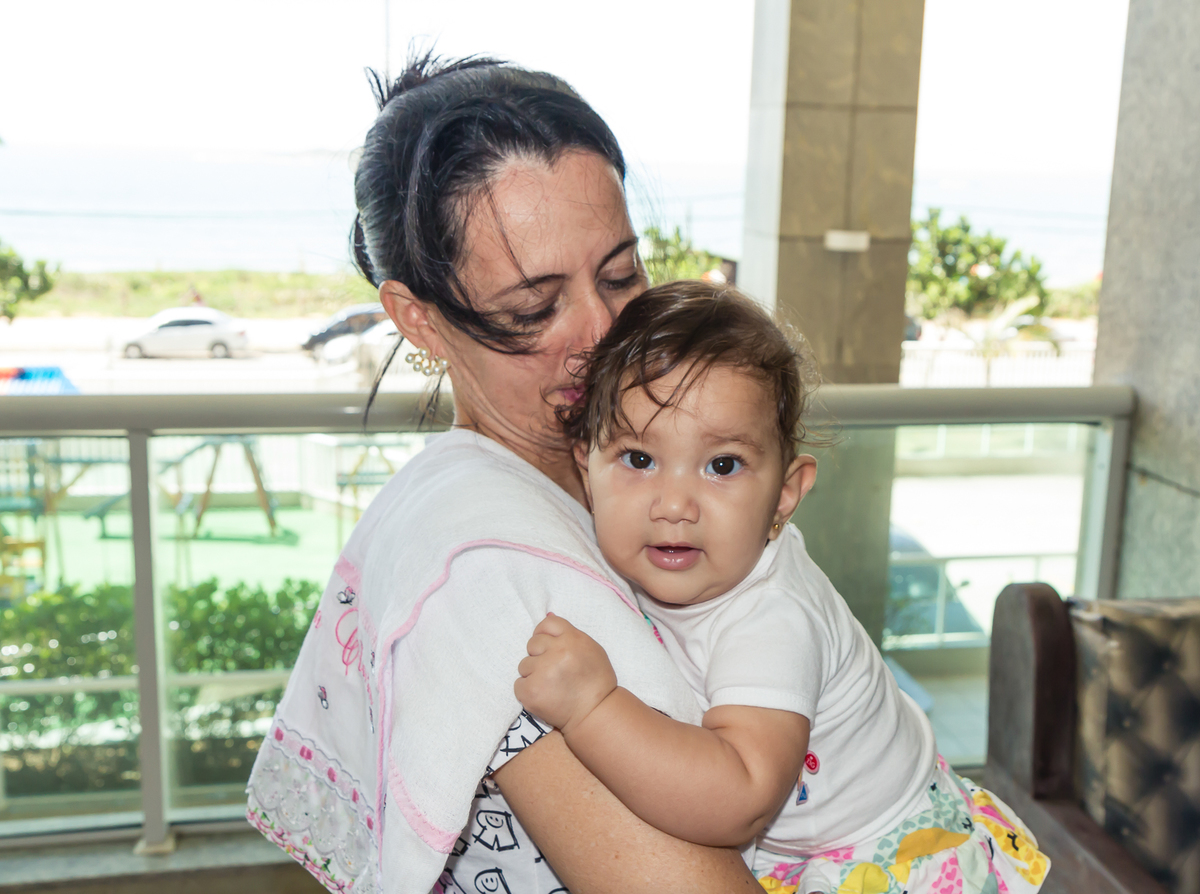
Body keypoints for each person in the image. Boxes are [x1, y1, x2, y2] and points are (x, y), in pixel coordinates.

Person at [244, 55, 763, 894]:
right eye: (532, 309)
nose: (601, 330)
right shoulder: (490, 571)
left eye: (622, 274)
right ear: (418, 318)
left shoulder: (630, 477)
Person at [515, 282, 1052, 894]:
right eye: (638, 458)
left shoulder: (771, 617)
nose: (673, 505)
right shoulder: (656, 558)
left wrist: (593, 707)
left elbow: (740, 794)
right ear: (586, 464)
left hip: (882, 858)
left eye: (722, 465)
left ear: (785, 494)